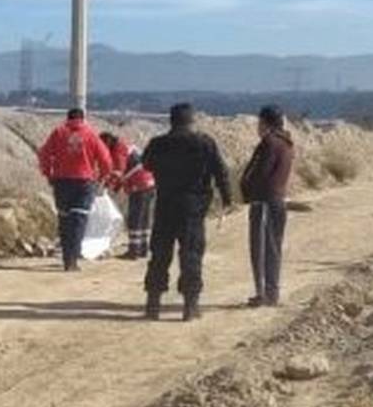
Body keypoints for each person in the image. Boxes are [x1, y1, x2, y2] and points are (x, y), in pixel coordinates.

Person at [141, 103, 232, 322]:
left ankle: (153, 304)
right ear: (192, 121)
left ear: (171, 121)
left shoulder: (158, 143)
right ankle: (190, 306)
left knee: (160, 254)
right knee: (191, 254)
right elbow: (221, 172)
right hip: (193, 207)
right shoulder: (204, 143)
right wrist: (227, 198)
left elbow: (146, 164)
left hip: (165, 204)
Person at [38, 108, 114, 272]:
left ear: (68, 118)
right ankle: (73, 258)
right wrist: (103, 176)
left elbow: (44, 154)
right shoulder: (91, 134)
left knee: (64, 220)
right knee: (78, 221)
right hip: (84, 182)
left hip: (62, 182)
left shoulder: (58, 133)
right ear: (83, 118)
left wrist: (48, 173)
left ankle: (67, 258)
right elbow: (105, 158)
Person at [240, 105, 294, 308]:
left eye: (259, 122)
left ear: (266, 123)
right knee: (273, 247)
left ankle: (263, 294)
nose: (257, 127)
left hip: (263, 201)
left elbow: (259, 172)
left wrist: (247, 192)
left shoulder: (269, 144)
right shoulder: (287, 144)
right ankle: (272, 292)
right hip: (278, 200)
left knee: (260, 248)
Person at [100, 132, 157, 260]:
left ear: (108, 141)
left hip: (139, 184)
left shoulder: (119, 149)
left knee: (135, 217)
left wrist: (108, 186)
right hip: (149, 182)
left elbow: (119, 171)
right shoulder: (126, 145)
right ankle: (142, 248)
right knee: (143, 217)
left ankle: (134, 251)